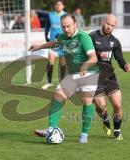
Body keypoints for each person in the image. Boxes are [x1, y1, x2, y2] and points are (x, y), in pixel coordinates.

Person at [29, 14, 99, 143]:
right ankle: (51, 129)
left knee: (86, 100)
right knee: (58, 95)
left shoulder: (83, 37)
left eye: (69, 26)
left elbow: (94, 58)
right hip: (73, 74)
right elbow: (53, 43)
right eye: (63, 27)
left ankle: (84, 135)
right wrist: (38, 46)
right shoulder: (62, 37)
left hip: (90, 73)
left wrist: (85, 65)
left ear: (75, 25)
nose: (66, 29)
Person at [91, 14, 130, 140]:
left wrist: (125, 65)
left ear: (115, 27)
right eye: (108, 23)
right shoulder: (91, 37)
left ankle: (117, 130)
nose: (109, 27)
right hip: (94, 76)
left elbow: (119, 58)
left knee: (117, 105)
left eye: (112, 25)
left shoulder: (115, 41)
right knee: (101, 106)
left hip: (109, 76)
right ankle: (105, 120)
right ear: (103, 22)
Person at [42, 0, 67, 90]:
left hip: (63, 42)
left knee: (62, 62)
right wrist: (46, 38)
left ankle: (62, 83)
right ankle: (49, 82)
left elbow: (70, 28)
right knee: (50, 60)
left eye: (60, 4)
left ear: (63, 6)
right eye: (56, 4)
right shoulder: (50, 15)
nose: (58, 6)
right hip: (53, 42)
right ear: (55, 6)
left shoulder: (66, 16)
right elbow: (47, 27)